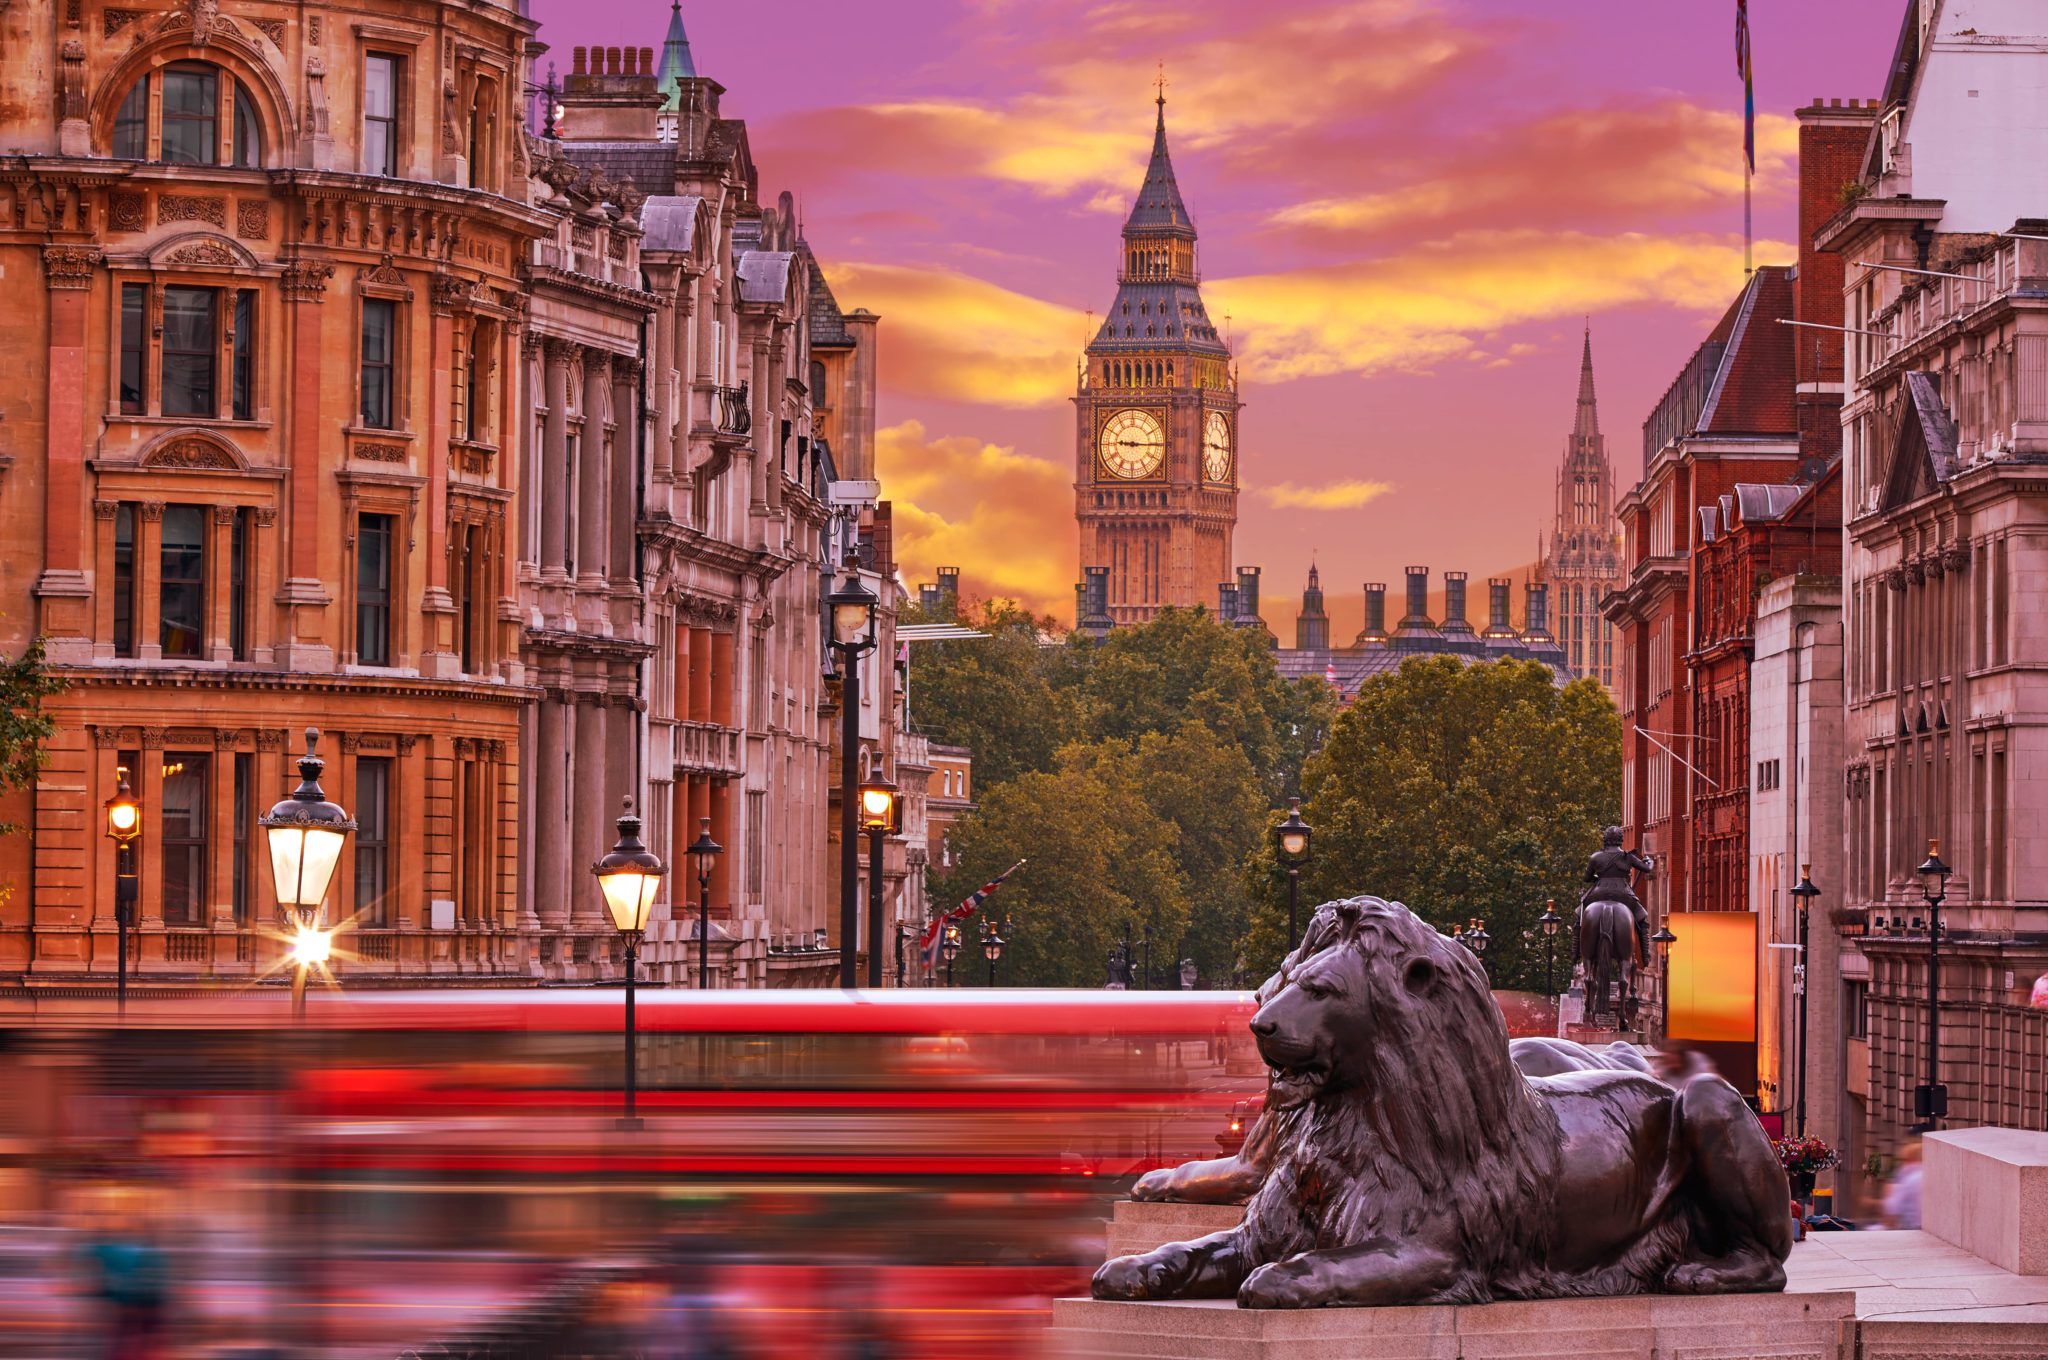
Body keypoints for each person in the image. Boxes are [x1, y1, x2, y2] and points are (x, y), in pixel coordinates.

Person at [1882, 1139, 1923, 1230]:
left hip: (1911, 1229)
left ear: (1910, 1159)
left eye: (1903, 1160)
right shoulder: (1931, 1175)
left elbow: (1892, 1209)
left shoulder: (1909, 1178)